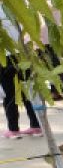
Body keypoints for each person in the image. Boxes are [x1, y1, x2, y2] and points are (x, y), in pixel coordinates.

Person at [0, 8, 39, 139]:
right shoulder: (12, 2)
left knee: (9, 93)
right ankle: (36, 125)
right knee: (28, 90)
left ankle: (13, 129)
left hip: (4, 55)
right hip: (23, 51)